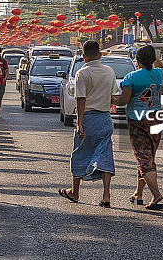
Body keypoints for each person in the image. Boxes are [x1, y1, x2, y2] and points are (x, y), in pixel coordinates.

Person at [58, 40, 116, 207]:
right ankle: (106, 195)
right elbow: (113, 96)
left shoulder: (82, 74)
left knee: (80, 154)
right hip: (105, 119)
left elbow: (81, 100)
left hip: (88, 118)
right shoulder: (109, 72)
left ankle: (75, 192)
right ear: (100, 54)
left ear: (84, 57)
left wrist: (79, 123)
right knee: (105, 155)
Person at [114, 44, 163, 211]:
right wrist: (152, 57)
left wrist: (109, 99)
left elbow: (123, 101)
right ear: (152, 59)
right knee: (148, 158)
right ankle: (138, 193)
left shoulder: (131, 77)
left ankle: (156, 195)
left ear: (137, 60)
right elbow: (161, 65)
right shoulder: (159, 74)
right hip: (157, 119)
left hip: (138, 121)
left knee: (144, 159)